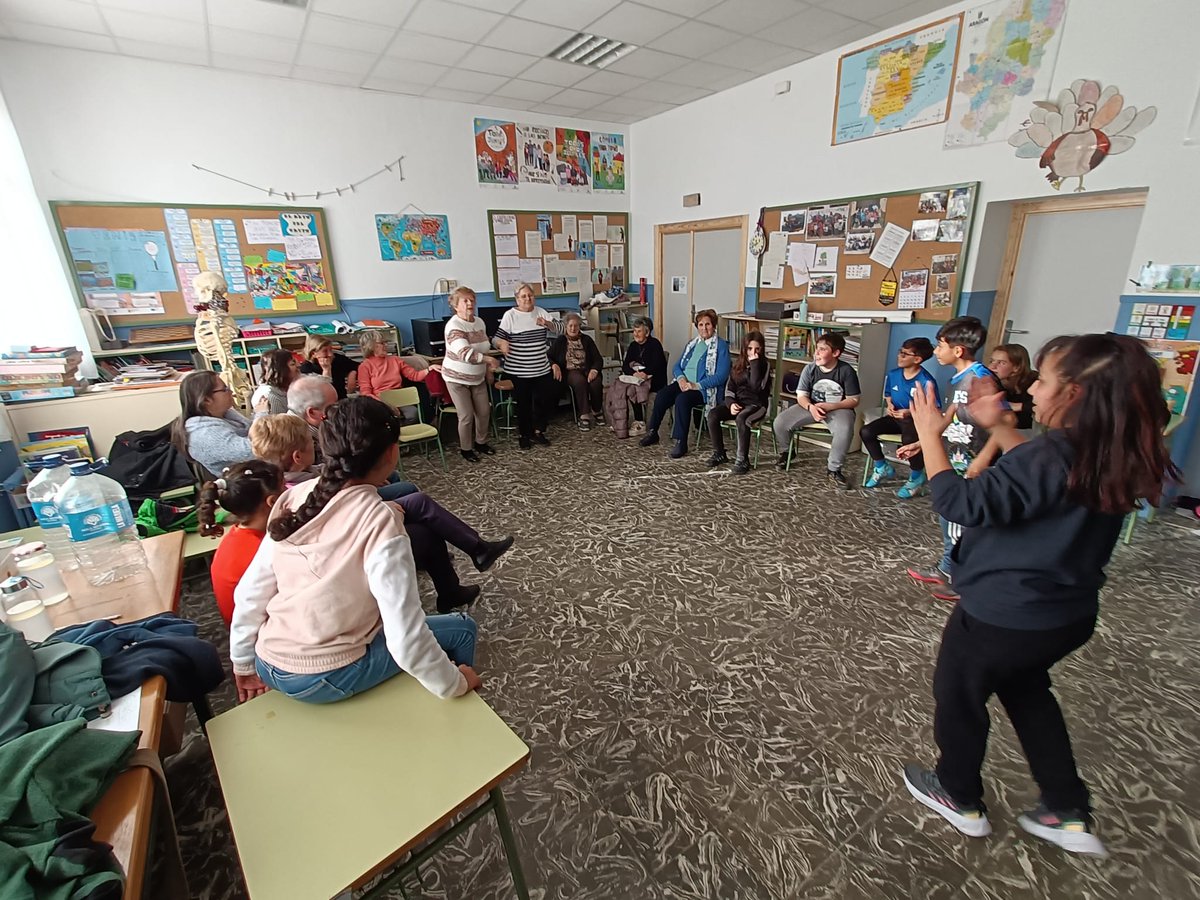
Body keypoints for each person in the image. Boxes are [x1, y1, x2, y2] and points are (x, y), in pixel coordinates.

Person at [901, 333, 1178, 858]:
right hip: (1063, 617)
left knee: (958, 696)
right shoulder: (1111, 450)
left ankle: (958, 795)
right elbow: (1044, 479)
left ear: (1072, 394)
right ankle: (1066, 810)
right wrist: (1003, 428)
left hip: (1002, 615)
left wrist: (930, 435)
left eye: (1044, 381)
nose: (1032, 389)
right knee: (1028, 693)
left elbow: (961, 502)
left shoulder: (1052, 454)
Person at [229, 396, 486, 706]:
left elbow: (250, 592)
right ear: (392, 453)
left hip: (267, 660)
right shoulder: (381, 521)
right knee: (462, 629)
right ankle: (461, 713)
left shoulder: (295, 496)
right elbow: (406, 641)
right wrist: (455, 684)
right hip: (323, 675)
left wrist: (243, 663)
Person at [248, 411, 513, 615]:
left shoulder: (292, 479)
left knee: (423, 523)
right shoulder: (301, 488)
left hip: (348, 527)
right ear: (297, 456)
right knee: (418, 504)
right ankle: (475, 552)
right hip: (346, 545)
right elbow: (344, 513)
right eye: (310, 441)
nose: (315, 444)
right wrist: (382, 504)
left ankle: (459, 576)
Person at [902, 317, 1011, 601]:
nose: (936, 352)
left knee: (958, 521)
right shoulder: (961, 379)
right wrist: (921, 443)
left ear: (958, 350)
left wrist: (983, 459)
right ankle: (947, 568)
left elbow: (1005, 422)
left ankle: (956, 576)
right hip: (957, 458)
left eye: (940, 346)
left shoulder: (981, 379)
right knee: (950, 520)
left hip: (972, 464)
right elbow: (947, 418)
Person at [198, 459, 283, 626]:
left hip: (242, 630)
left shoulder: (237, 536)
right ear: (272, 501)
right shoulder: (264, 550)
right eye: (285, 488)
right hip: (261, 637)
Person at [772, 332, 861, 486]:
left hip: (838, 408)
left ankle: (834, 469)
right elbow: (801, 396)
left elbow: (854, 400)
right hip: (811, 406)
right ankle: (786, 452)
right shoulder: (810, 369)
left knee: (844, 429)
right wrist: (810, 407)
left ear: (836, 353)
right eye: (816, 349)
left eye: (822, 349)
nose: (816, 353)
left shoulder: (846, 371)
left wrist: (832, 406)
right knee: (780, 422)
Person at [639, 308, 730, 459]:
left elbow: (721, 376)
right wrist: (681, 378)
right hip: (684, 383)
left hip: (703, 389)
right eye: (700, 325)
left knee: (682, 400)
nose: (704, 328)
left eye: (707, 324)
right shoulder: (692, 344)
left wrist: (696, 385)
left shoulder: (721, 346)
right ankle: (653, 432)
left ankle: (681, 442)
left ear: (714, 326)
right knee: (662, 395)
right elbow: (677, 366)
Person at [860, 337, 940, 497]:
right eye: (900, 352)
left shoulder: (926, 381)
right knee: (866, 431)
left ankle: (917, 477)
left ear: (917, 359)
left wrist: (909, 412)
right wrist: (890, 405)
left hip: (915, 420)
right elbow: (888, 394)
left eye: (905, 354)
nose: (900, 356)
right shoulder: (893, 374)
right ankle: (882, 466)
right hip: (895, 417)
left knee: (909, 439)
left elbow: (934, 409)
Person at [494, 282, 566, 450]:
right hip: (518, 370)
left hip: (540, 368)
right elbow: (496, 338)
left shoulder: (540, 312)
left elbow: (562, 329)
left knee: (544, 400)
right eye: (524, 296)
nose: (528, 299)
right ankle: (524, 435)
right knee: (524, 404)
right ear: (517, 299)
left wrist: (547, 324)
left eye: (530, 295)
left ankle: (538, 431)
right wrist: (501, 344)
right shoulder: (510, 316)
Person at [171, 370, 268, 477]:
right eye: (225, 389)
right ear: (206, 400)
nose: (231, 391)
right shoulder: (204, 434)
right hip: (249, 480)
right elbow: (253, 450)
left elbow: (250, 429)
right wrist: (261, 415)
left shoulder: (225, 413)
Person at [442, 286, 499, 462]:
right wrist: (489, 361)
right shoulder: (453, 326)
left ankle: (480, 443)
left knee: (483, 411)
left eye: (472, 300)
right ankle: (466, 449)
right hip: (456, 378)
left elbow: (485, 346)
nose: (470, 303)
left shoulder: (479, 322)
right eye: (465, 301)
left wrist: (488, 369)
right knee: (466, 415)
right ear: (455, 305)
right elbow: (466, 354)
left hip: (477, 377)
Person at [705, 331, 771, 475]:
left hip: (756, 405)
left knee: (742, 418)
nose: (753, 352)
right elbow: (730, 389)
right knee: (713, 414)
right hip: (739, 403)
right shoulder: (737, 365)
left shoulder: (764, 365)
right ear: (744, 349)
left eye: (757, 349)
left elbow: (757, 387)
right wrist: (731, 404)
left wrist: (754, 364)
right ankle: (719, 453)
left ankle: (742, 460)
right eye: (749, 349)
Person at [605, 317, 668, 438]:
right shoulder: (633, 345)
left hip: (654, 380)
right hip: (636, 377)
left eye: (639, 331)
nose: (636, 334)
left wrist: (645, 373)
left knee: (631, 389)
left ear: (647, 332)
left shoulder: (655, 344)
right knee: (617, 388)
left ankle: (639, 422)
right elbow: (625, 364)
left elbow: (657, 365)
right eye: (634, 331)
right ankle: (620, 422)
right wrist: (634, 374)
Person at [549, 312, 604, 430]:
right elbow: (548, 356)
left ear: (580, 327)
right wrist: (554, 365)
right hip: (570, 371)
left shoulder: (587, 340)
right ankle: (584, 415)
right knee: (580, 382)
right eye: (570, 326)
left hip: (587, 368)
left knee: (596, 382)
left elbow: (598, 359)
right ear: (566, 326)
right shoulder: (560, 340)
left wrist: (594, 370)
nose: (573, 328)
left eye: (576, 325)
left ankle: (596, 410)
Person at [356, 329, 442, 400]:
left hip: (399, 399)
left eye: (385, 342)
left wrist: (429, 369)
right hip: (378, 403)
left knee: (413, 413)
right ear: (371, 346)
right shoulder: (364, 366)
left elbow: (414, 376)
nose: (386, 345)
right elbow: (366, 393)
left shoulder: (395, 360)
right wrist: (384, 405)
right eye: (382, 343)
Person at [988, 343, 1037, 431]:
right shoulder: (991, 382)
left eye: (1001, 363)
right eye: (991, 361)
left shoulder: (1035, 382)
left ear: (1017, 367)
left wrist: (1018, 406)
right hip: (1007, 431)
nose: (992, 367)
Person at [298, 334, 358, 399]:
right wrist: (326, 370)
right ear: (313, 354)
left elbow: (359, 366)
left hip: (342, 400)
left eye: (331, 350)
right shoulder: (306, 369)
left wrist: (352, 373)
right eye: (325, 351)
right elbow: (323, 393)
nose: (330, 354)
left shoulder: (337, 359)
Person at [250, 348, 299, 415]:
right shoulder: (269, 397)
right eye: (292, 364)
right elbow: (277, 424)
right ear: (281, 369)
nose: (298, 366)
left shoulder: (284, 387)